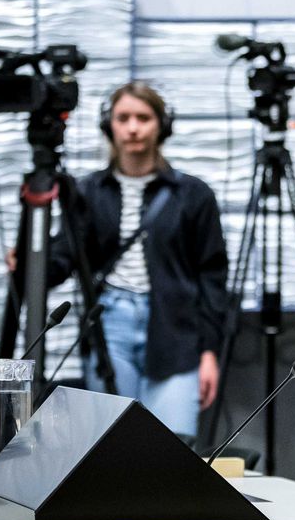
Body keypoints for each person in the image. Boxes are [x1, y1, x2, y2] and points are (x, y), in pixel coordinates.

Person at [43, 81, 228, 438]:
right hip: (108, 322)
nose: (132, 127)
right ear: (108, 124)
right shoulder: (87, 191)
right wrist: (28, 259)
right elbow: (64, 258)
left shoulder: (193, 194)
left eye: (143, 117)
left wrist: (210, 352)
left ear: (162, 125)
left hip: (176, 326)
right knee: (109, 441)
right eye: (123, 117)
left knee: (173, 444)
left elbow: (212, 277)